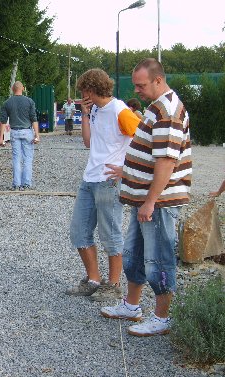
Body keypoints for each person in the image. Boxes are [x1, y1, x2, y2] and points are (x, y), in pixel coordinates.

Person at [100, 58, 192, 337]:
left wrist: (150, 201)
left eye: (141, 85)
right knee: (135, 256)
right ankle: (132, 306)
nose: (136, 90)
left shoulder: (168, 111)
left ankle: (162, 318)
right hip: (145, 200)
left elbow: (166, 161)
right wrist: (128, 170)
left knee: (160, 260)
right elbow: (150, 154)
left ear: (158, 80)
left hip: (159, 204)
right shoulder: (155, 107)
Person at [65, 69, 140, 301]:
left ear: (90, 90)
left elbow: (145, 141)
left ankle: (114, 284)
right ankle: (94, 279)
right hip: (90, 178)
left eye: (83, 92)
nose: (81, 96)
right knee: (79, 231)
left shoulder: (121, 111)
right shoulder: (95, 109)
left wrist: (126, 170)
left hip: (109, 181)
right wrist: (85, 114)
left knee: (111, 235)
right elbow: (88, 142)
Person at [0, 81, 40, 191]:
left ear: (13, 89)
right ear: (23, 88)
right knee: (27, 158)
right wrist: (37, 135)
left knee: (16, 158)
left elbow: (3, 121)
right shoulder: (29, 101)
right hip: (27, 132)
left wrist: (1, 138)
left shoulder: (7, 103)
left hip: (14, 132)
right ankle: (26, 183)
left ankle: (16, 184)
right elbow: (34, 119)